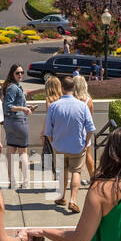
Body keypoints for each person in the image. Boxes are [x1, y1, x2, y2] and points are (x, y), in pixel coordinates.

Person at [42, 74, 95, 214]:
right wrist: (85, 143)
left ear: (62, 88)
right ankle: (73, 200)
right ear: (73, 87)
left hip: (59, 146)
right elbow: (91, 128)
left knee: (62, 172)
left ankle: (62, 197)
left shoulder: (53, 106)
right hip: (77, 146)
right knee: (76, 172)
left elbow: (48, 131)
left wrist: (54, 143)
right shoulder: (82, 106)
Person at [0, 65, 34, 190]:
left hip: (11, 123)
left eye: (22, 72)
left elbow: (15, 104)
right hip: (18, 122)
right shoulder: (13, 87)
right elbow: (8, 106)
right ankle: (25, 183)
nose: (20, 75)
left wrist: (26, 106)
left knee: (11, 152)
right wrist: (24, 109)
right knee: (23, 152)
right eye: (17, 73)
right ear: (12, 74)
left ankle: (12, 183)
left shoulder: (14, 87)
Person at [39, 74, 63, 183]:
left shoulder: (48, 99)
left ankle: (56, 173)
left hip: (52, 129)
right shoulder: (62, 98)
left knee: (53, 152)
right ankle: (61, 172)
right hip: (62, 127)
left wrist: (43, 131)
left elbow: (48, 117)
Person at [74, 74, 97, 180]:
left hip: (70, 130)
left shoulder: (71, 100)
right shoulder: (89, 100)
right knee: (88, 156)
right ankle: (93, 178)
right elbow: (90, 118)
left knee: (66, 158)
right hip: (84, 132)